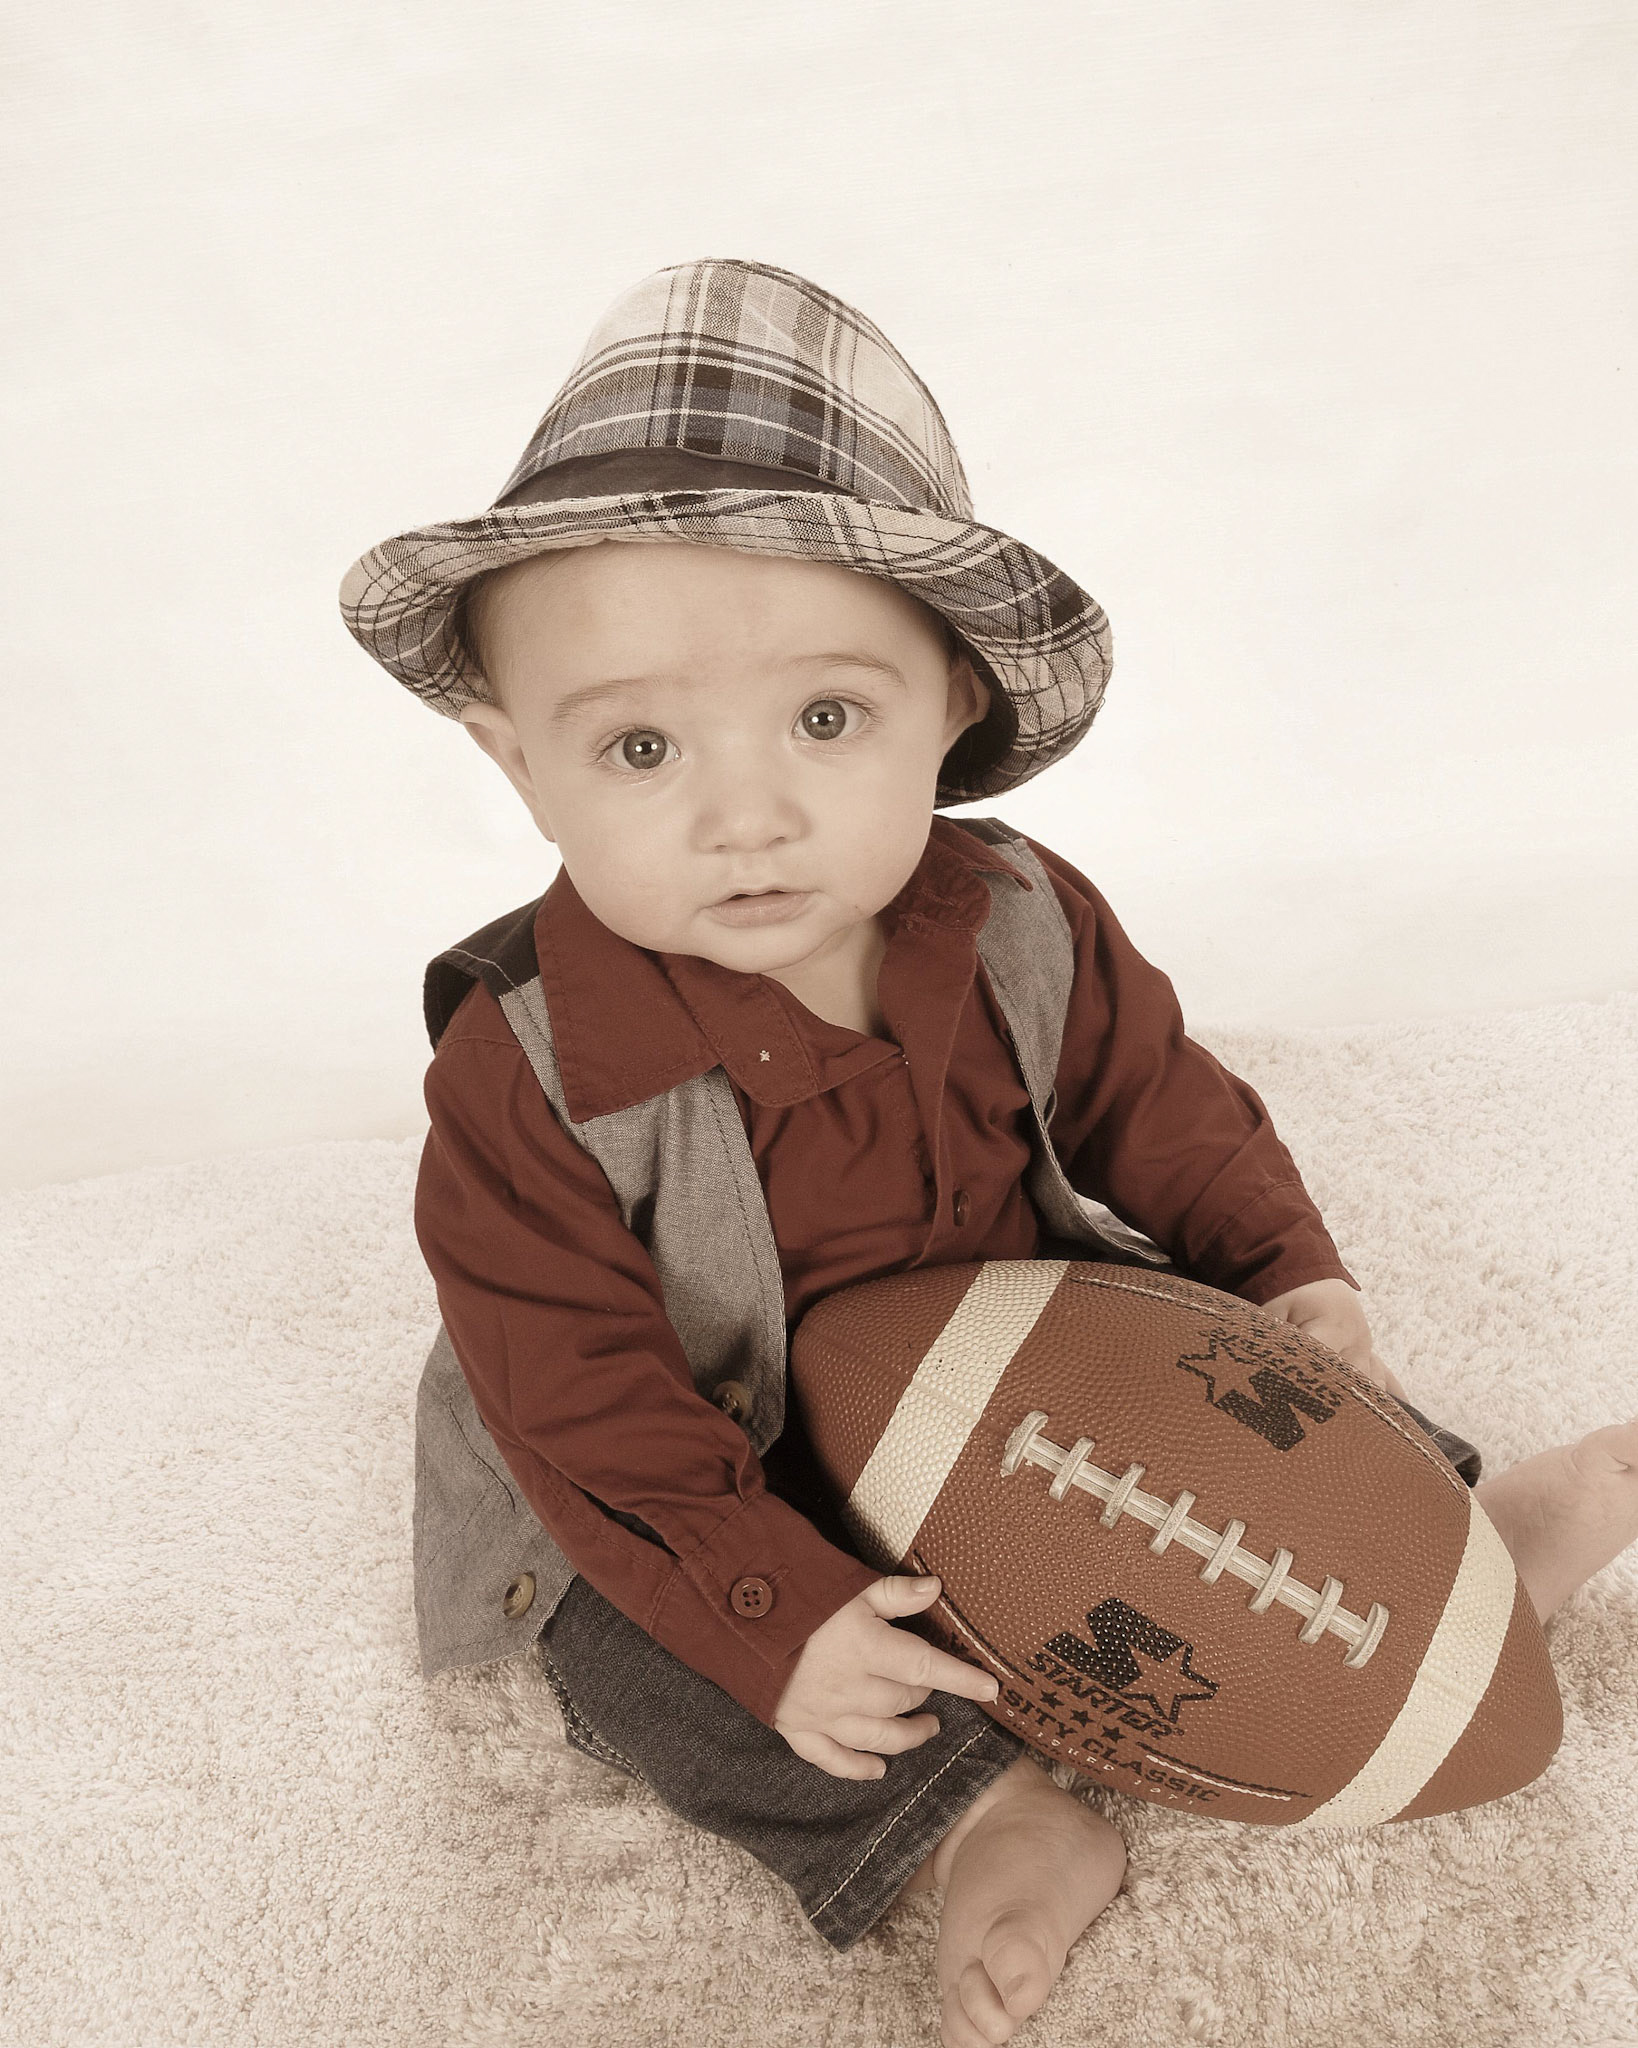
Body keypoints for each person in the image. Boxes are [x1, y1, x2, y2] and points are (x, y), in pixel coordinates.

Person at [339, 257, 1638, 2048]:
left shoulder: (1018, 912)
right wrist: (776, 1613)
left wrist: (1289, 1277)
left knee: (1238, 1392)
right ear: (511, 762)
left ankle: (1447, 1552)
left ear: (951, 699)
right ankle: (979, 1820)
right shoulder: (530, 1071)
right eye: (638, 745)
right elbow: (579, 1405)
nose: (745, 813)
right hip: (690, 1442)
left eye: (825, 719)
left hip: (1012, 1331)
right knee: (659, 1662)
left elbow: (1157, 1104)